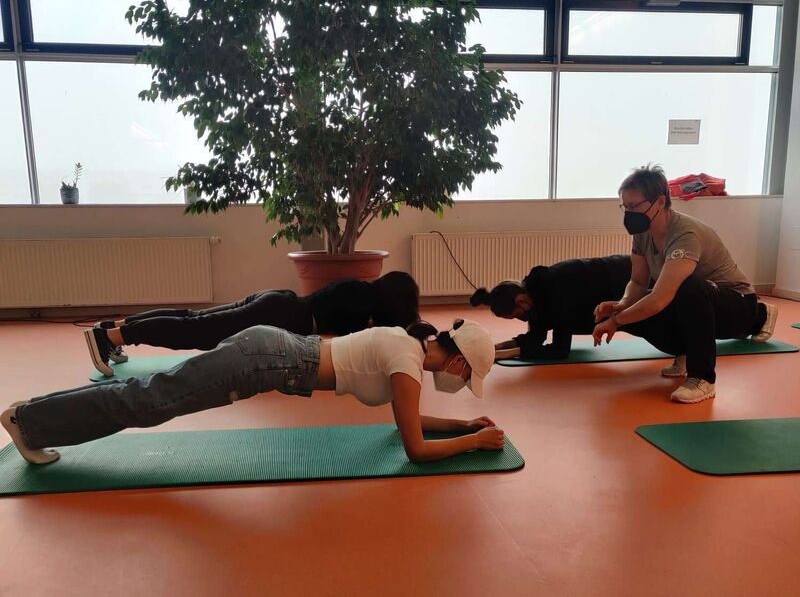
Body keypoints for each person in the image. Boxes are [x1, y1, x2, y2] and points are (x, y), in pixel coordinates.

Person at [2, 319, 502, 466]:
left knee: (152, 394)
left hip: (269, 353)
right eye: (466, 376)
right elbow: (414, 449)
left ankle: (32, 417)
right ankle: (29, 422)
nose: (460, 383)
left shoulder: (406, 348)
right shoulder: (406, 363)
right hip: (266, 360)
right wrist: (473, 443)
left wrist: (464, 425)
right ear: (458, 361)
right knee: (150, 400)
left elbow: (406, 424)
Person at [592, 164, 778, 404]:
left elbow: (660, 299)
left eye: (634, 206)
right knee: (635, 310)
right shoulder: (642, 233)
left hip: (737, 303)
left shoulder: (685, 234)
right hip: (695, 304)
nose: (628, 213)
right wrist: (621, 305)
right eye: (624, 206)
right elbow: (637, 281)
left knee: (686, 288)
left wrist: (617, 321)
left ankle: (703, 378)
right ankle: (686, 351)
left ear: (660, 202)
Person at [85, 272, 420, 377]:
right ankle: (112, 336)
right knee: (197, 331)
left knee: (193, 318)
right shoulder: (363, 308)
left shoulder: (359, 288)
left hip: (278, 301)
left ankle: (114, 328)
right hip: (280, 315)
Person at [470, 255, 632, 360]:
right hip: (611, 282)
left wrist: (507, 354)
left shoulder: (557, 292)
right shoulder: (534, 294)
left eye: (514, 315)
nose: (519, 318)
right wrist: (497, 347)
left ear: (521, 301)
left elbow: (560, 350)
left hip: (625, 279)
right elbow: (536, 338)